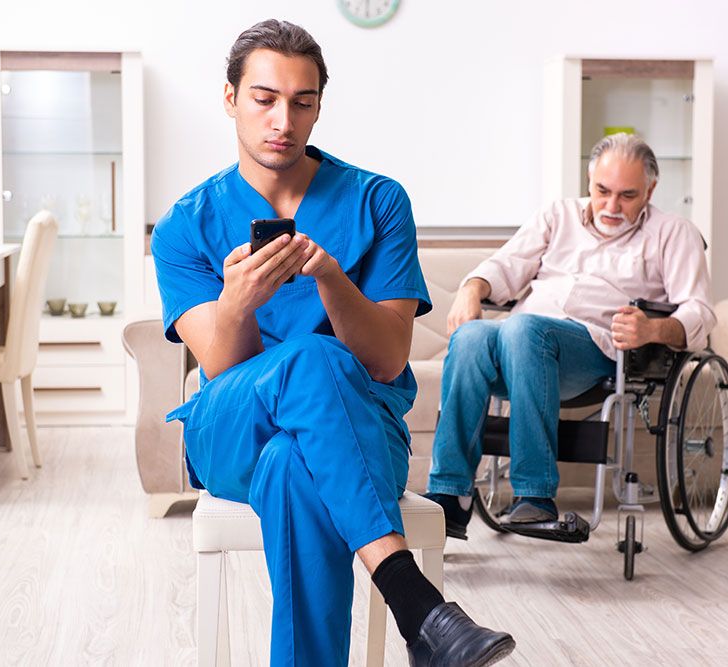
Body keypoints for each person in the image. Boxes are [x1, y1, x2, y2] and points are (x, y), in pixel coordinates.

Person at [151, 19, 515, 667]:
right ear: (230, 97)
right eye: (264, 98)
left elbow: (386, 359)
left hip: (358, 427)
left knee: (295, 464)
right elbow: (223, 365)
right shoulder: (186, 224)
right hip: (230, 427)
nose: (282, 120)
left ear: (320, 104)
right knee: (313, 361)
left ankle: (420, 620)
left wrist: (327, 276)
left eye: (302, 101)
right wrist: (239, 300)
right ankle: (414, 602)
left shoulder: (377, 201)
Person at [424, 133, 716, 538]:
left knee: (525, 329)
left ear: (651, 188)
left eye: (627, 196)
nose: (611, 206)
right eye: (602, 191)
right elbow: (505, 266)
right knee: (472, 336)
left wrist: (653, 328)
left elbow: (699, 311)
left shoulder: (673, 233)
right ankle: (450, 496)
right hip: (520, 345)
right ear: (589, 180)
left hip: (592, 352)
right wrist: (471, 288)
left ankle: (534, 495)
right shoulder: (557, 216)